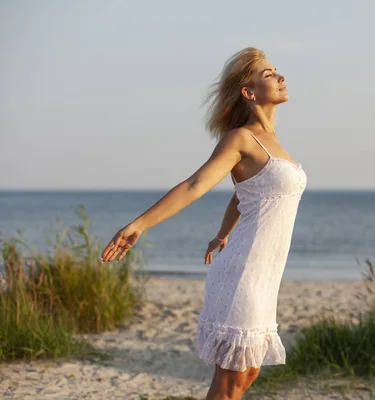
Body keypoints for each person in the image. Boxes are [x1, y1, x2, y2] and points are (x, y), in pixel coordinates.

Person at [101, 47, 307, 400]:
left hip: (262, 274)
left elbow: (245, 193)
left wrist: (221, 234)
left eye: (277, 71)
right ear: (249, 92)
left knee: (247, 373)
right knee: (231, 382)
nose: (281, 76)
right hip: (244, 273)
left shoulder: (274, 143)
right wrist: (140, 224)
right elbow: (195, 185)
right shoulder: (241, 138)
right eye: (269, 73)